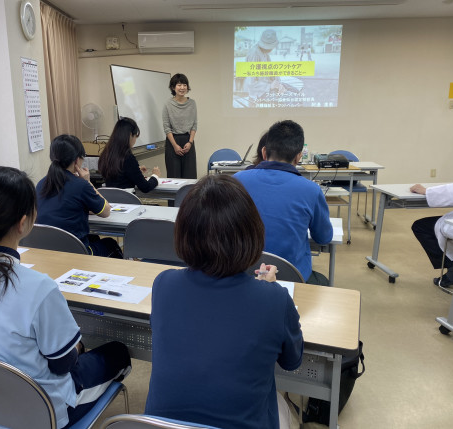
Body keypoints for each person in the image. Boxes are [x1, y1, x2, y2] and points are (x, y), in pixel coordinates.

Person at [0, 166, 131, 429]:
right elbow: (63, 365)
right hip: (38, 413)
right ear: (24, 223)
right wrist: (77, 345)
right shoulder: (38, 288)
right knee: (117, 353)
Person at [145, 175, 303, 429]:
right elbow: (292, 361)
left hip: (160, 426)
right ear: (251, 232)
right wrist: (268, 291)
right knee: (282, 407)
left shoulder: (163, 284)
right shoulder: (275, 300)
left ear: (183, 232)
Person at [234, 120, 333, 283]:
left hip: (241, 272)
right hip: (292, 277)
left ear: (264, 152)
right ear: (299, 157)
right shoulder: (311, 190)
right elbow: (323, 237)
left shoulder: (236, 181)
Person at [37, 134, 122, 258]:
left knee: (94, 238)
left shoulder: (41, 184)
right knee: (110, 244)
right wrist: (87, 181)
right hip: (75, 252)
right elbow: (106, 212)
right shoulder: (81, 185)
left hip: (46, 250)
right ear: (77, 160)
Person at [98, 117, 160, 192]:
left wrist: (136, 171)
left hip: (111, 202)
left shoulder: (106, 154)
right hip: (127, 202)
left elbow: (119, 176)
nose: (135, 140)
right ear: (130, 135)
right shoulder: (128, 157)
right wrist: (155, 176)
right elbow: (145, 187)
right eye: (135, 137)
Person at [163, 73, 197, 179]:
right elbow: (166, 127)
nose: (182, 88)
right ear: (173, 87)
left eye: (184, 85)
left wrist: (190, 142)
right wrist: (175, 145)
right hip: (172, 142)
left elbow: (194, 125)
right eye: (179, 85)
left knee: (189, 176)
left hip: (188, 141)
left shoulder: (192, 103)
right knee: (174, 176)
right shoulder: (168, 104)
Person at [244, 29, 287, 99]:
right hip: (258, 93)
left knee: (290, 89)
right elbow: (251, 83)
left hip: (267, 88)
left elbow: (271, 70)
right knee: (285, 99)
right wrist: (270, 86)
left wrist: (277, 81)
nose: (272, 49)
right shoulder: (254, 54)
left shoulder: (265, 53)